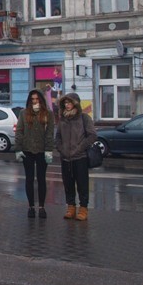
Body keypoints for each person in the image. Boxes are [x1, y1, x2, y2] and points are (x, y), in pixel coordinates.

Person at [55, 92, 96, 222]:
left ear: (75, 104)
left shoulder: (84, 118)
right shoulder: (63, 119)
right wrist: (61, 149)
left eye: (70, 102)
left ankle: (83, 208)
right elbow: (58, 137)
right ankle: (71, 207)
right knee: (68, 184)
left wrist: (79, 148)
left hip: (80, 157)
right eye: (65, 103)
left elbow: (92, 135)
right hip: (65, 158)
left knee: (82, 184)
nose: (67, 105)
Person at [15, 89, 55, 219]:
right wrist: (18, 149)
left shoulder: (48, 113)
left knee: (41, 179)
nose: (35, 101)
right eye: (32, 99)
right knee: (29, 179)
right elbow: (19, 131)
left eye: (37, 99)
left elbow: (50, 133)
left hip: (42, 150)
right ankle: (31, 206)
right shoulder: (24, 113)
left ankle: (42, 207)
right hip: (27, 150)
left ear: (41, 100)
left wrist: (49, 150)